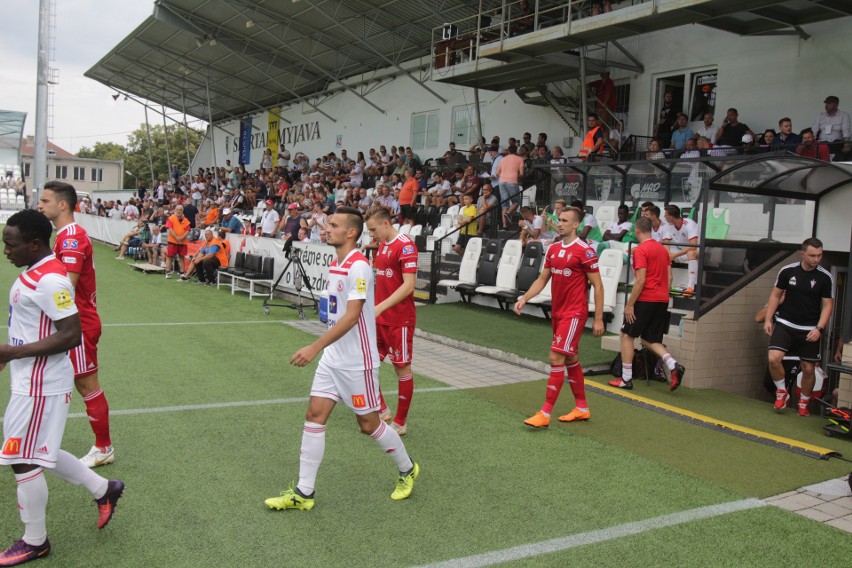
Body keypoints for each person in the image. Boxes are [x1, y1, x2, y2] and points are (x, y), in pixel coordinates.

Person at [265, 207, 419, 511]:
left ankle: (407, 468)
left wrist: (314, 347)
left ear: (351, 232)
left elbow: (351, 317)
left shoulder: (359, 266)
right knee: (314, 416)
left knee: (368, 425)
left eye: (333, 225)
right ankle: (303, 493)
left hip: (356, 363)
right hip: (333, 360)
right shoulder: (339, 264)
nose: (326, 228)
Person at [0, 210, 124, 565]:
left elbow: (71, 335)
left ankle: (34, 540)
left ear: (34, 244)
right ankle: (104, 489)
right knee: (39, 451)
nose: (6, 250)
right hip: (28, 378)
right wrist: (12, 356)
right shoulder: (35, 271)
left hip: (40, 384)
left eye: (11, 244)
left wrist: (13, 351)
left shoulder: (52, 280)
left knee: (22, 460)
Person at [37, 182, 114, 469]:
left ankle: (103, 447)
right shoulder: (63, 236)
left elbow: (66, 287)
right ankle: (40, 440)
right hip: (67, 323)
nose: (40, 205)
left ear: (62, 205)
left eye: (45, 200)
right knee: (49, 379)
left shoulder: (71, 238)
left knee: (86, 384)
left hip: (78, 324)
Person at [515, 207, 605, 428]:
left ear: (576, 225)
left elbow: (598, 285)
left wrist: (599, 318)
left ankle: (545, 413)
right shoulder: (553, 249)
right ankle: (582, 408)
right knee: (571, 358)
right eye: (559, 220)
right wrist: (525, 297)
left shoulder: (585, 250)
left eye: (565, 220)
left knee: (556, 358)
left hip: (574, 313)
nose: (561, 223)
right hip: (558, 311)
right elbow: (542, 279)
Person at [609, 217, 686, 391]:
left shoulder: (640, 250)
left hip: (645, 298)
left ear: (637, 231)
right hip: (662, 299)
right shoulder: (662, 249)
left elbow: (640, 280)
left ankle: (626, 379)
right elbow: (670, 277)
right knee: (649, 339)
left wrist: (630, 305)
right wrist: (664, 297)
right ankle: (673, 364)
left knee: (626, 335)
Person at [764, 238, 834, 416]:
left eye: (819, 255)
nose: (816, 259)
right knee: (773, 358)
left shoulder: (825, 277)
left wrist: (819, 329)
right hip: (786, 323)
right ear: (802, 254)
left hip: (810, 328)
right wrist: (768, 319)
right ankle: (781, 392)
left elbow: (827, 306)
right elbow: (775, 296)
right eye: (812, 255)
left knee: (808, 369)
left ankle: (804, 402)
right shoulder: (787, 271)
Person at [365, 208, 418, 435]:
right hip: (379, 318)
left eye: (373, 230)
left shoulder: (406, 246)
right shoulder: (383, 244)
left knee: (401, 368)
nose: (371, 235)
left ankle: (400, 421)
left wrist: (380, 307)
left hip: (399, 320)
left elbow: (408, 286)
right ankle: (381, 408)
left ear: (386, 223)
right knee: (365, 364)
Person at [662, 205, 699, 295]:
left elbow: (693, 245)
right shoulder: (669, 225)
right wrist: (669, 253)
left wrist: (674, 255)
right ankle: (666, 284)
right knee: (662, 252)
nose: (664, 217)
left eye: (665, 215)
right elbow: (666, 243)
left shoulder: (689, 224)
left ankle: (690, 287)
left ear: (670, 217)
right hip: (680, 252)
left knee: (691, 253)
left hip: (697, 251)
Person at [164, 205, 190, 278]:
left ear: (182, 211)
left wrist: (181, 238)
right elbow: (170, 229)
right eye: (177, 210)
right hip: (172, 241)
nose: (179, 211)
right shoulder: (171, 218)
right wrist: (177, 238)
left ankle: (182, 273)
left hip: (183, 242)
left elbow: (188, 230)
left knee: (182, 257)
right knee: (169, 256)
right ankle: (168, 272)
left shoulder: (186, 220)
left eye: (180, 210)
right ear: (175, 210)